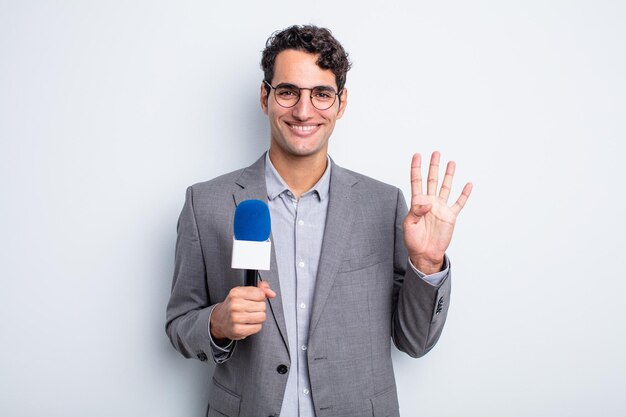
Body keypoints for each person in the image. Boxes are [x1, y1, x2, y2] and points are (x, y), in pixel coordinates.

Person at [166, 25, 472, 417]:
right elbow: (179, 324)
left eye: (321, 94)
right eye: (288, 91)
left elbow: (414, 341)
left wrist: (426, 265)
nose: (304, 111)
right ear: (265, 97)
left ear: (341, 103)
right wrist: (217, 324)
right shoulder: (204, 203)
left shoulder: (384, 205)